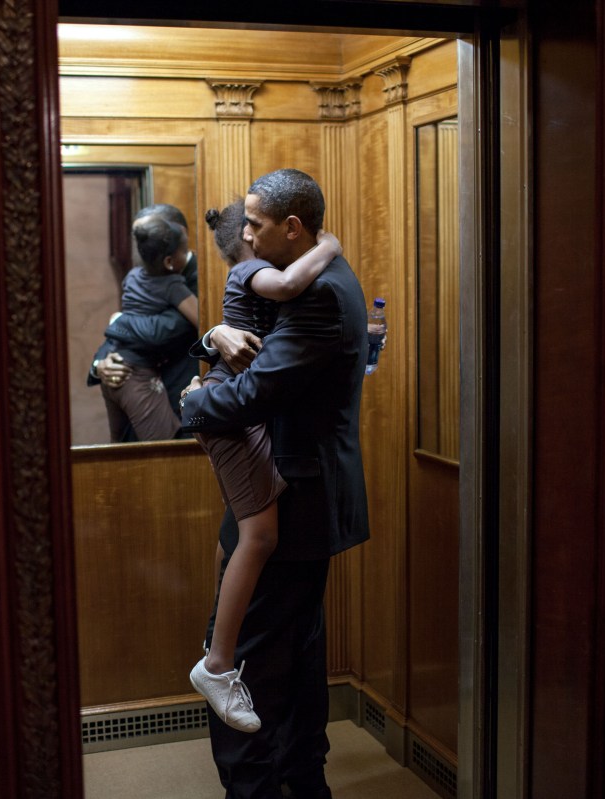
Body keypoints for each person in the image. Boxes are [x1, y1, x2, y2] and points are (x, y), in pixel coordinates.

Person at [180, 169, 370, 799]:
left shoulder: (316, 294)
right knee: (295, 650)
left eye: (257, 225)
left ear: (293, 228)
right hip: (292, 491)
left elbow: (257, 391)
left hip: (294, 496)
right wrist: (214, 336)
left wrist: (193, 401)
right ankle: (298, 781)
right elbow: (251, 340)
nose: (248, 235)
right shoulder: (308, 276)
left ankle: (258, 787)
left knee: (252, 658)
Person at [88, 204, 200, 438]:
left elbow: (158, 332)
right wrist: (100, 364)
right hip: (136, 406)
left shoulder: (200, 279)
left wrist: (117, 320)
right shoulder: (145, 273)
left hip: (182, 416)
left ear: (179, 232)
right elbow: (135, 322)